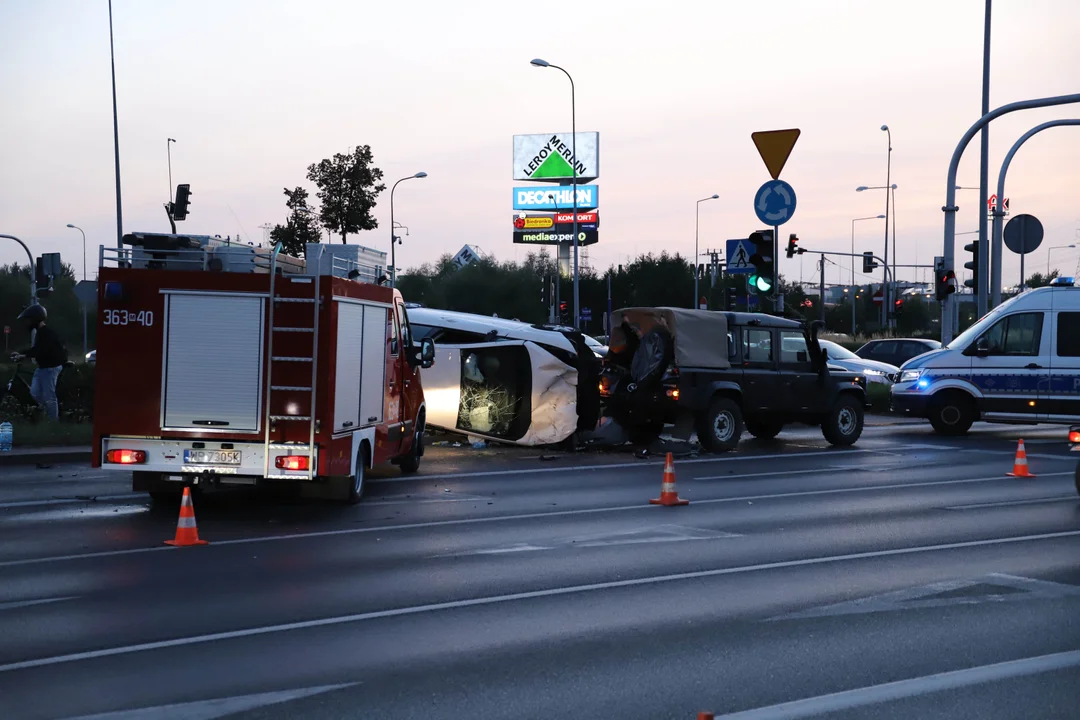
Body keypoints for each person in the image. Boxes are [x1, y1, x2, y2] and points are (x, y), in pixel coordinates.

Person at [10, 305, 67, 421]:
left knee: (49, 396)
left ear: (35, 319)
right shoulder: (40, 333)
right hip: (42, 367)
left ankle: (53, 422)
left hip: (51, 368)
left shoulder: (47, 333)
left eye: (29, 320)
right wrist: (21, 353)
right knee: (34, 392)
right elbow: (36, 348)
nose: (28, 323)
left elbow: (41, 350)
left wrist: (24, 355)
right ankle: (47, 411)